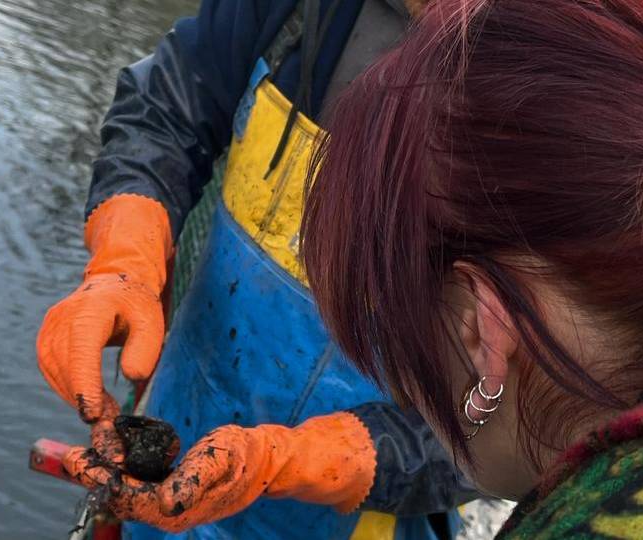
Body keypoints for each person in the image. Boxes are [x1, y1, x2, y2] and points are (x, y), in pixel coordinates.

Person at [95, 0, 643, 536]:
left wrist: (343, 455)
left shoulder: (589, 97)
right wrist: (122, 254)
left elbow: (537, 402)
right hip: (189, 415)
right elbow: (171, 98)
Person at [35, 1, 480, 538]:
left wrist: (295, 460)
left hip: (357, 521)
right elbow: (169, 105)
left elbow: (536, 413)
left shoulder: (567, 92)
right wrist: (123, 256)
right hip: (169, 466)